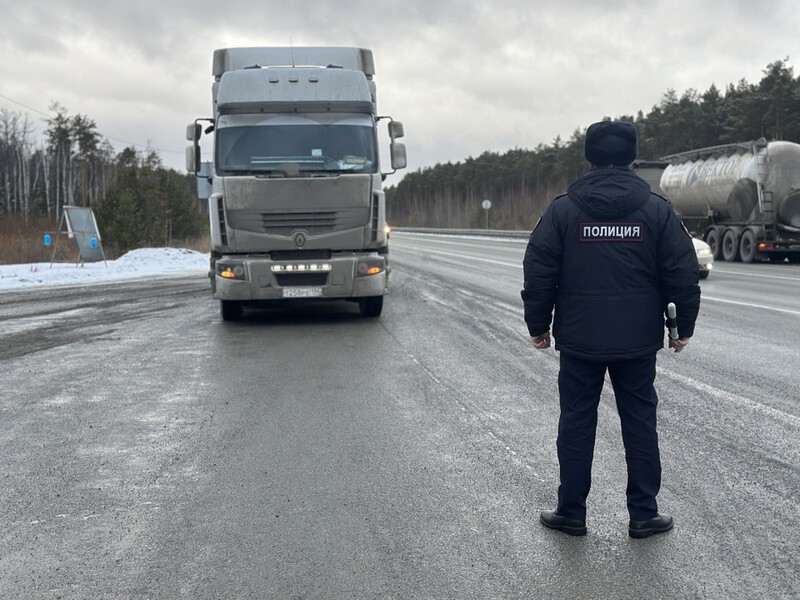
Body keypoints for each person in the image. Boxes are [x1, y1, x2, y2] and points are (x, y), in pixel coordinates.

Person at [521, 120, 700, 538]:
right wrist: (681, 327)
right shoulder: (656, 210)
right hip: (637, 341)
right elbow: (681, 272)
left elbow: (539, 269)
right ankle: (644, 514)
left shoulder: (563, 210)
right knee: (640, 423)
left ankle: (571, 512)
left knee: (576, 422)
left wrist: (538, 325)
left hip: (580, 339)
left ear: (590, 158)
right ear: (633, 157)